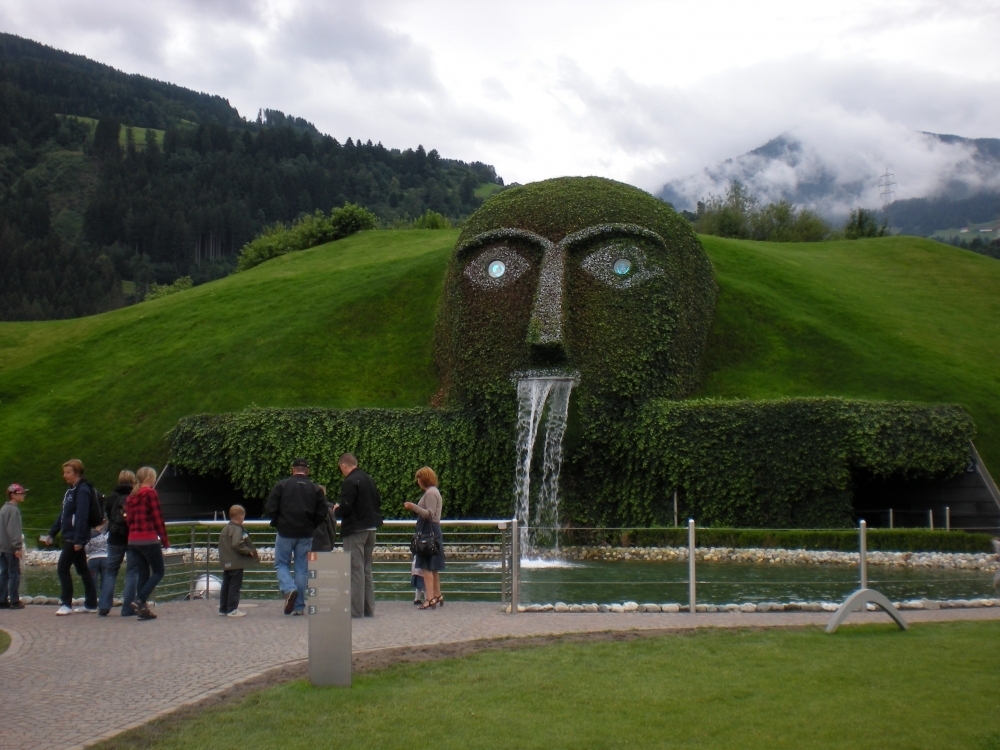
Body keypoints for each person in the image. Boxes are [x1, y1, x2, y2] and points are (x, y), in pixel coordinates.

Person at [265, 458, 328, 616]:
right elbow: (322, 512)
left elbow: (270, 508)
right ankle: (299, 606)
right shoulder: (315, 489)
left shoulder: (282, 486)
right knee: (302, 570)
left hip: (285, 531)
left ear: (293, 470)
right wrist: (312, 525)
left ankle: (289, 589)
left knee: (281, 564)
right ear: (307, 471)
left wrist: (277, 523)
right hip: (306, 533)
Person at [45, 460, 98, 615]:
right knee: (83, 569)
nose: (65, 476)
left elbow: (82, 516)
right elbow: (64, 515)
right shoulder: (71, 491)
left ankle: (66, 603)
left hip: (74, 538)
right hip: (71, 536)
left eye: (68, 472)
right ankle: (91, 603)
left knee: (63, 568)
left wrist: (79, 540)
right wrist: (51, 533)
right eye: (64, 472)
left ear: (77, 473)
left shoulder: (82, 491)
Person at [334, 453, 382, 618]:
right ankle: (369, 609)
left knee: (355, 569)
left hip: (355, 530)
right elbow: (378, 502)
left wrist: (337, 510)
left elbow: (346, 508)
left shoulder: (350, 481)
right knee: (366, 569)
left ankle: (356, 611)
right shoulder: (369, 479)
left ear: (343, 466)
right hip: (371, 529)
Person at [125, 466, 170, 620]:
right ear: (149, 478)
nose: (155, 480)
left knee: (143, 573)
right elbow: (158, 518)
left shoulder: (131, 496)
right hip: (148, 538)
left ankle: (142, 610)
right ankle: (140, 599)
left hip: (133, 540)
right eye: (154, 477)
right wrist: (165, 540)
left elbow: (129, 520)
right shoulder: (150, 493)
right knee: (159, 571)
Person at [404, 466, 445, 610]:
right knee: (433, 566)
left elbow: (430, 514)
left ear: (424, 479)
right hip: (433, 531)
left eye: (419, 478)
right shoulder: (434, 492)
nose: (417, 481)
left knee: (426, 566)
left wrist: (413, 507)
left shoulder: (430, 493)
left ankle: (429, 598)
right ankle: (438, 594)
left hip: (428, 532)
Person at [101, 470, 137, 617]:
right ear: (133, 481)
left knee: (110, 571)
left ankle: (104, 605)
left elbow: (109, 516)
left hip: (115, 537)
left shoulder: (112, 497)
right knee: (132, 571)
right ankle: (127, 608)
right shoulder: (135, 496)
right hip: (132, 537)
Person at [218, 504, 258, 617]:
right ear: (241, 517)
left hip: (227, 563)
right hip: (236, 563)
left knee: (226, 584)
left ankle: (223, 608)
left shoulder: (226, 528)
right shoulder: (237, 529)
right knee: (235, 586)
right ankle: (232, 609)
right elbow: (237, 543)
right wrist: (247, 551)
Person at [0, 483, 27, 609]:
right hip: (11, 548)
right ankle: (15, 600)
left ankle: (2, 599)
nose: (23, 495)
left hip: (2, 547)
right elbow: (14, 530)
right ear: (13, 495)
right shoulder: (14, 510)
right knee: (14, 573)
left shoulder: (3, 509)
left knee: (4, 573)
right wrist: (17, 547)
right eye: (21, 493)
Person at [86, 522, 109, 601]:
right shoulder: (105, 536)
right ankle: (104, 601)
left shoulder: (89, 536)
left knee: (92, 582)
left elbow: (86, 549)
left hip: (92, 560)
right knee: (105, 582)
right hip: (105, 559)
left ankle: (92, 601)